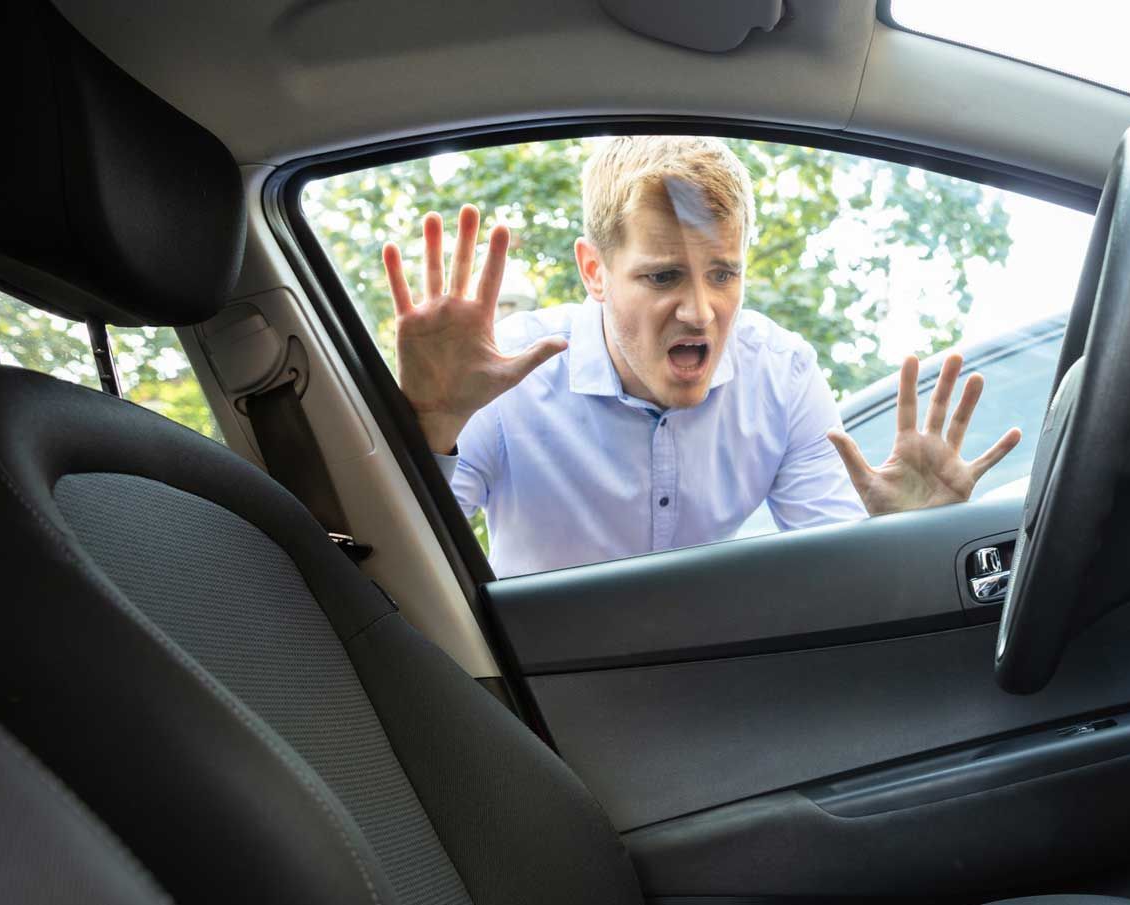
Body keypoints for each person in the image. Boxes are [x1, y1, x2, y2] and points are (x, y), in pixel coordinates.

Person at [380, 135, 1021, 576]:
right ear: (595, 271)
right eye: (664, 277)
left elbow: (841, 570)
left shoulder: (782, 375)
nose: (700, 312)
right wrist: (433, 428)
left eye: (722, 274)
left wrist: (906, 540)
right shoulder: (504, 378)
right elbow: (406, 571)